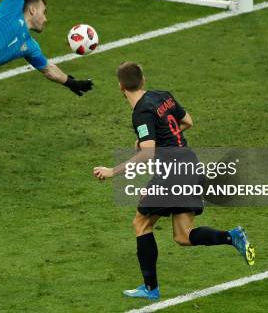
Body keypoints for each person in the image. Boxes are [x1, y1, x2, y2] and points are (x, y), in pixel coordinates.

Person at [92, 62, 255, 300]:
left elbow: (147, 152)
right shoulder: (163, 96)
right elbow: (188, 121)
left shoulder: (141, 113)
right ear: (144, 80)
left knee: (141, 224)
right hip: (189, 164)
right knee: (183, 236)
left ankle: (151, 289)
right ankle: (232, 236)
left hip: (172, 172)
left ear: (120, 87)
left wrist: (112, 171)